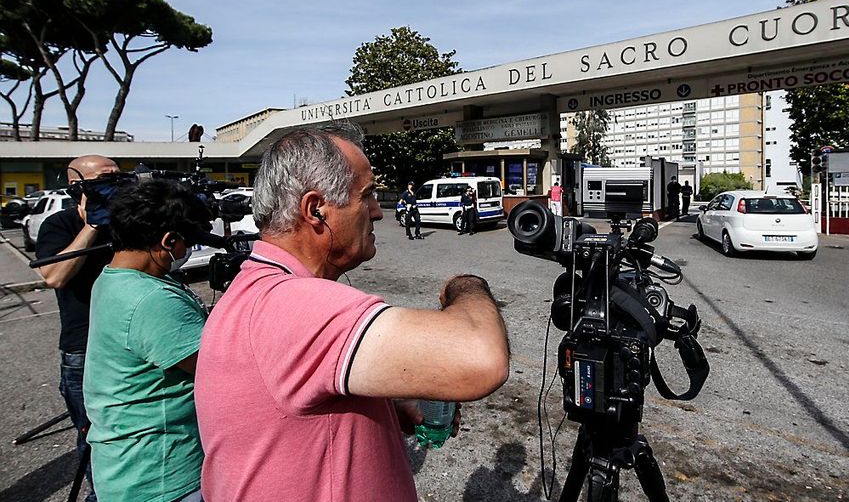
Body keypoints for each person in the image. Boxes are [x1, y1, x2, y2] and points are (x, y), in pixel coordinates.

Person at [195, 125, 509, 501]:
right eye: (368, 195)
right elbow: (480, 357)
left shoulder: (258, 287)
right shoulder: (293, 304)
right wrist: (467, 285)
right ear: (315, 210)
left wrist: (385, 412)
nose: (378, 212)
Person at [83, 179, 212, 502]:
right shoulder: (151, 299)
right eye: (187, 243)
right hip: (163, 475)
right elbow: (219, 369)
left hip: (127, 468)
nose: (186, 252)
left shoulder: (113, 278)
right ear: (168, 240)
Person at [37, 154, 120, 502]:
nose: (115, 183)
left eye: (119, 176)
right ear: (78, 186)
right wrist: (93, 225)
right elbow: (55, 276)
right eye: (105, 178)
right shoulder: (60, 224)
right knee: (95, 442)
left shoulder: (125, 221)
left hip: (128, 345)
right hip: (83, 350)